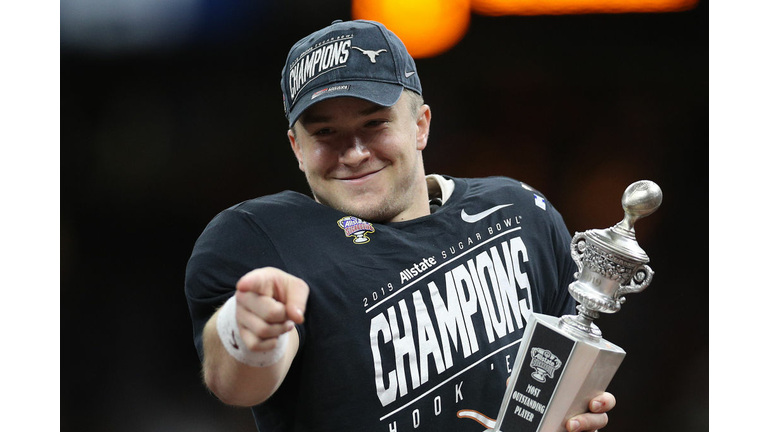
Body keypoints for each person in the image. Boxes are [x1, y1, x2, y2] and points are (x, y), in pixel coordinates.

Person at [185, 19, 616, 432]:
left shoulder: (519, 213)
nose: (353, 152)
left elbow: (565, 377)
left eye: (374, 124)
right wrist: (246, 330)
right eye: (326, 133)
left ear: (420, 125)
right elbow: (235, 384)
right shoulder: (265, 238)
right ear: (297, 148)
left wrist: (576, 412)